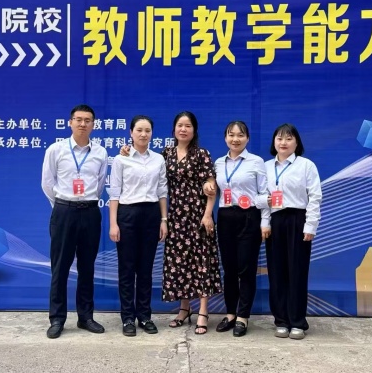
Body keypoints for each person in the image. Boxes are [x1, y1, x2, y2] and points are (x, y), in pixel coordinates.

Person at [119, 111, 220, 335]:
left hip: (198, 216)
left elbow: (211, 185)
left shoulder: (201, 154)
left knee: (201, 262)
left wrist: (207, 214)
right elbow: (148, 170)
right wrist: (126, 151)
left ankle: (203, 311)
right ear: (174, 129)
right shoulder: (165, 154)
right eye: (180, 125)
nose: (183, 129)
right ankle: (184, 309)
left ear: (194, 130)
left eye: (188, 126)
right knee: (180, 263)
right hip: (175, 217)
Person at [41, 104, 108, 339]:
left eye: (87, 120)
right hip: (64, 212)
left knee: (87, 267)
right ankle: (57, 318)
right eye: (78, 119)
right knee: (60, 267)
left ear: (93, 125)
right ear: (70, 122)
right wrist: (63, 205)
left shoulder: (100, 153)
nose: (82, 124)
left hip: (90, 212)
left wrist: (84, 202)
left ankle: (85, 317)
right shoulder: (56, 150)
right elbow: (47, 183)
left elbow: (100, 185)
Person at [204, 121, 270, 337]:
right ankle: (231, 313)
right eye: (231, 135)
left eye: (240, 135)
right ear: (225, 138)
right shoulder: (219, 163)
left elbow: (265, 194)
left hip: (249, 216)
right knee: (230, 269)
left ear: (247, 138)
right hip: (225, 217)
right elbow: (212, 187)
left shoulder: (256, 162)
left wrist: (264, 221)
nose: (235, 139)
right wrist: (208, 186)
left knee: (246, 269)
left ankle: (243, 316)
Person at [108, 115, 169, 337]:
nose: (144, 134)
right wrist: (113, 223)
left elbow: (162, 190)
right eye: (139, 130)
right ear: (131, 133)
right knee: (126, 269)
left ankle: (144, 316)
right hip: (127, 214)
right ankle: (127, 318)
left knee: (145, 269)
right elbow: (115, 193)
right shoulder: (120, 159)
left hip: (151, 214)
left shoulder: (158, 159)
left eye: (147, 130)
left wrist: (164, 220)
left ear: (152, 133)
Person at [264, 123, 322, 340]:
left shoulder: (306, 166)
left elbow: (315, 197)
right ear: (274, 142)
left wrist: (310, 225)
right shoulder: (266, 167)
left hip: (298, 220)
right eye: (279, 138)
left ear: (297, 143)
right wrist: (265, 222)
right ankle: (281, 320)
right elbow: (261, 198)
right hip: (275, 220)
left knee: (297, 271)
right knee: (276, 272)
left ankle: (297, 321)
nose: (284, 143)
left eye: (289, 139)